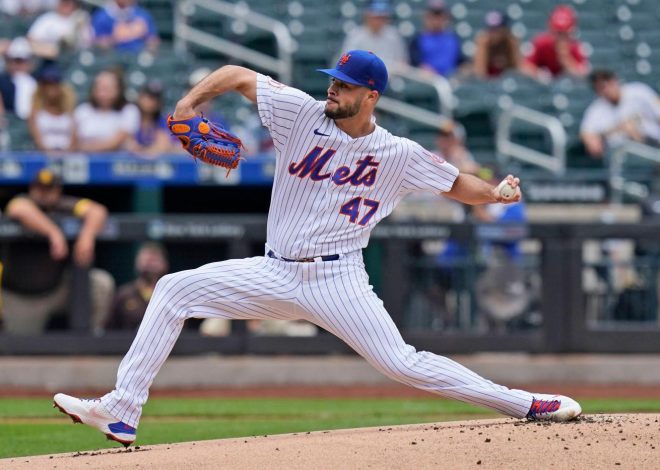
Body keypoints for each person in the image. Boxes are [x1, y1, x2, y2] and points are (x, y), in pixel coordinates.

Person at [53, 50, 581, 447]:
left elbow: (453, 182)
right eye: (333, 80)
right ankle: (123, 411)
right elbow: (238, 74)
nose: (333, 90)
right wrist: (189, 103)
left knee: (403, 364)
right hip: (274, 271)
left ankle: (525, 404)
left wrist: (494, 192)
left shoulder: (396, 153)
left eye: (345, 86)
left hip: (339, 280)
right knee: (172, 290)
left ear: (370, 96)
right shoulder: (300, 114)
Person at [2, 169, 114, 335]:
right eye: (40, 188)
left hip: (57, 290)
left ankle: (93, 335)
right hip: (22, 297)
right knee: (20, 346)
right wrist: (53, 233)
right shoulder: (22, 202)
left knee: (100, 283)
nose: (43, 194)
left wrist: (86, 237)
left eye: (49, 189)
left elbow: (97, 211)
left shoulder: (63, 205)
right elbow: (18, 208)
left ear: (58, 190)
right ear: (32, 188)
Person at [580, 69, 660, 159]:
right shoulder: (596, 108)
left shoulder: (638, 91)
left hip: (653, 146)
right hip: (619, 156)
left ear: (614, 81)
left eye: (605, 85)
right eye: (598, 89)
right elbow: (586, 133)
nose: (605, 91)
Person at [105, 242, 169, 331]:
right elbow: (109, 328)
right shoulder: (123, 294)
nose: (149, 265)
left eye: (154, 260)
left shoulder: (170, 295)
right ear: (136, 263)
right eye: (146, 260)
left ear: (164, 264)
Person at [73, 69, 140, 152]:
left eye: (107, 89)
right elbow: (73, 142)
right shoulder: (82, 110)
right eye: (99, 88)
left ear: (118, 90)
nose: (102, 93)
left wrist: (85, 146)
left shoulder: (129, 110)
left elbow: (116, 142)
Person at [523, 4, 588, 80]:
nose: (560, 37)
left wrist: (565, 59)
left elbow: (583, 75)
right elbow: (525, 67)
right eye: (557, 33)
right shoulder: (541, 43)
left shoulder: (575, 47)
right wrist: (540, 74)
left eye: (564, 33)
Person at [338, 0, 408, 70]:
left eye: (383, 18)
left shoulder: (393, 35)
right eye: (376, 17)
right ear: (367, 17)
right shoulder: (356, 35)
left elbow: (402, 62)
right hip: (362, 76)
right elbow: (347, 61)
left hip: (389, 76)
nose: (379, 21)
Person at [28, 62, 78, 152]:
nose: (50, 88)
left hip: (67, 157)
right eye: (47, 84)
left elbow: (74, 141)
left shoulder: (70, 113)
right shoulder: (35, 113)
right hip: (43, 157)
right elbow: (38, 141)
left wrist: (65, 153)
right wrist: (50, 153)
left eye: (54, 83)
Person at [408, 0, 462, 77]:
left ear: (445, 17)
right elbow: (414, 63)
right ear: (426, 17)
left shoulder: (453, 39)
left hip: (451, 80)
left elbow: (460, 62)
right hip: (426, 80)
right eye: (433, 15)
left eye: (439, 15)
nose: (436, 20)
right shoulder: (417, 39)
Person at [27, 0, 92, 59]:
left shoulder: (79, 19)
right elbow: (31, 39)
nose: (66, 5)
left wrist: (80, 28)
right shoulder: (48, 18)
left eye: (69, 2)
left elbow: (88, 43)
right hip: (49, 59)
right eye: (63, 2)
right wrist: (50, 49)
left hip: (73, 58)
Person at [125, 82, 173, 157]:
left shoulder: (161, 120)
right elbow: (127, 143)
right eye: (149, 97)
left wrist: (142, 152)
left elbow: (163, 146)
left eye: (156, 99)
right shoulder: (130, 115)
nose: (152, 102)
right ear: (140, 97)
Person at [91, 0, 159, 53]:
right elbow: (96, 44)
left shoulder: (143, 15)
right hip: (110, 62)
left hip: (138, 59)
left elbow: (153, 41)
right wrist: (116, 37)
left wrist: (143, 35)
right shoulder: (101, 17)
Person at [472, 10, 522, 79]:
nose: (493, 32)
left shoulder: (511, 42)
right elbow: (480, 74)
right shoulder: (483, 42)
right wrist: (483, 46)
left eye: (497, 28)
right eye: (491, 28)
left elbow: (517, 70)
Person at [0, 37, 37, 119]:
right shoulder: (3, 81)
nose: (18, 65)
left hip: (31, 121)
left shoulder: (36, 82)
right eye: (16, 61)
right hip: (9, 121)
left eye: (22, 61)